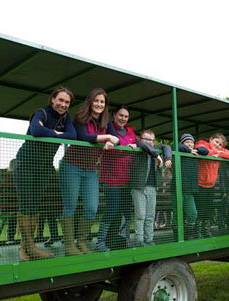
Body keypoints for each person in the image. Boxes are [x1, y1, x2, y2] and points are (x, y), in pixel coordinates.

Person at [14, 86, 76, 261]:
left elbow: (72, 135)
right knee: (26, 205)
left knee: (34, 206)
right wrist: (56, 133)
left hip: (44, 167)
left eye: (67, 102)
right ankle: (26, 248)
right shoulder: (41, 113)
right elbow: (36, 131)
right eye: (60, 100)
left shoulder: (66, 118)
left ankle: (28, 248)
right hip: (25, 164)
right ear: (53, 100)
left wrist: (53, 134)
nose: (63, 105)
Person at [59, 88, 119, 255]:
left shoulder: (106, 123)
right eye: (96, 100)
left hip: (91, 170)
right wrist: (106, 138)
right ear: (90, 101)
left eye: (102, 102)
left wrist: (112, 142)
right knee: (70, 205)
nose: (99, 104)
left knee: (92, 207)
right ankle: (70, 246)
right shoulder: (80, 118)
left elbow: (117, 139)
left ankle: (82, 242)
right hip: (71, 166)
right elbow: (82, 137)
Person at [96, 105, 137, 251]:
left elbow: (135, 145)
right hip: (111, 178)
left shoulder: (131, 131)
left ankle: (122, 240)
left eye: (126, 116)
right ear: (114, 115)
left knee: (125, 211)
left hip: (127, 179)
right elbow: (115, 148)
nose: (123, 119)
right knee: (112, 210)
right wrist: (127, 147)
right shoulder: (108, 128)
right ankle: (100, 242)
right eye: (120, 115)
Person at [128, 129, 172, 246]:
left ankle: (149, 239)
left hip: (152, 188)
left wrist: (167, 158)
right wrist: (157, 156)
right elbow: (141, 144)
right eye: (146, 139)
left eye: (151, 140)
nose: (148, 142)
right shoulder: (139, 146)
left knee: (150, 215)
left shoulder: (156, 148)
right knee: (140, 215)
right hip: (139, 187)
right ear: (141, 139)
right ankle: (139, 240)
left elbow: (167, 147)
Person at [194, 133, 229, 237]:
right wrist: (217, 152)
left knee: (208, 209)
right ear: (211, 139)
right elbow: (202, 151)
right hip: (200, 184)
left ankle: (205, 230)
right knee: (200, 208)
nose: (218, 145)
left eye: (220, 145)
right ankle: (196, 231)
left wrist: (219, 154)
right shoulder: (203, 143)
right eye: (216, 142)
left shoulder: (220, 151)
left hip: (211, 185)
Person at [173, 133, 209, 240]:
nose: (190, 144)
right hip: (177, 189)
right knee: (177, 215)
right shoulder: (179, 149)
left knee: (192, 213)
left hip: (189, 190)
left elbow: (205, 151)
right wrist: (189, 150)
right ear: (182, 142)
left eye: (192, 142)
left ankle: (188, 235)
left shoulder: (195, 152)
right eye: (187, 142)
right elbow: (177, 146)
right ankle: (177, 238)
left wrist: (195, 150)